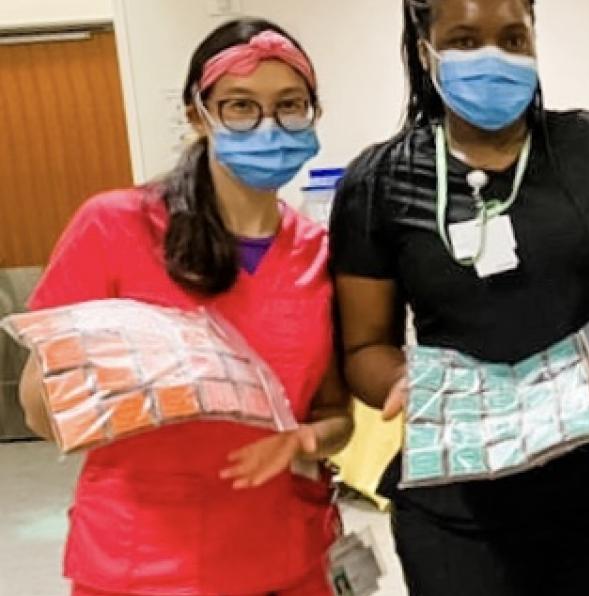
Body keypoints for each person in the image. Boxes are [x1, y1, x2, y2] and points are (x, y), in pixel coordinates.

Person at [328, 0, 589, 594]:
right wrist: (413, 386)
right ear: (425, 52)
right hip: (454, 510)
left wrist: (572, 371)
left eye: (513, 39)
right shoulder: (379, 182)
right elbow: (364, 346)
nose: (492, 57)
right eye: (464, 41)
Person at [18, 19, 352, 596]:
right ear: (199, 114)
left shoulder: (319, 255)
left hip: (288, 554)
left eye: (290, 106)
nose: (269, 126)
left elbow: (334, 415)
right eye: (240, 106)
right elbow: (39, 408)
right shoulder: (117, 225)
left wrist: (302, 442)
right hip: (145, 562)